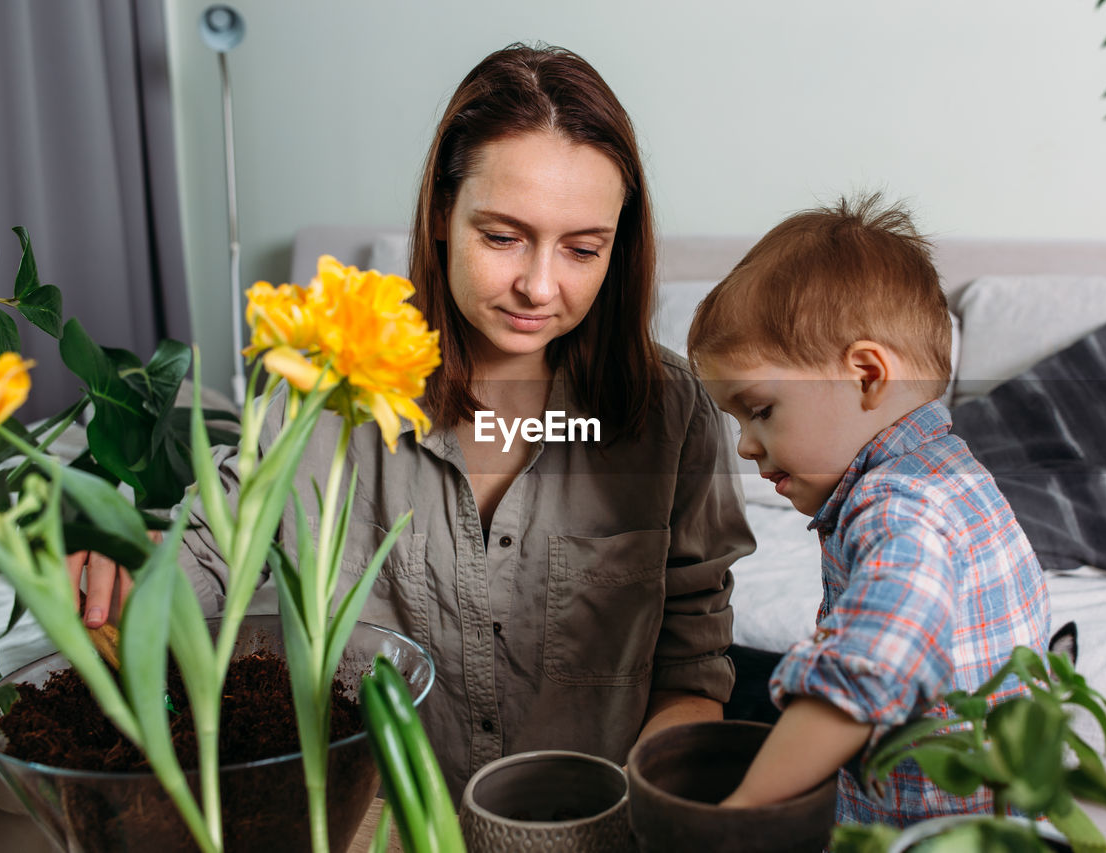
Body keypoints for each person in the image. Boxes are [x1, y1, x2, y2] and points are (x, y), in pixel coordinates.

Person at [75, 43, 754, 798]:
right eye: (501, 237)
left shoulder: (674, 412)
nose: (538, 284)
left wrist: (648, 803)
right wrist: (131, 564)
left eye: (583, 249)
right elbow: (207, 554)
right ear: (440, 213)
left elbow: (693, 654)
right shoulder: (323, 397)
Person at [685, 196, 1049, 826]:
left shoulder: (897, 508)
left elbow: (866, 667)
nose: (744, 445)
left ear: (866, 375)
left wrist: (740, 810)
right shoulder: (952, 473)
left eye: (761, 410)